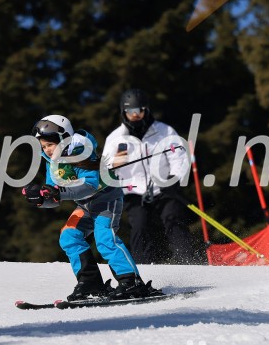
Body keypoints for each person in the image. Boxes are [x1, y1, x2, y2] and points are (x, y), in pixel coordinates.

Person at [23, 114, 160, 301]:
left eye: (50, 145)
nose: (47, 150)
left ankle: (131, 282)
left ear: (64, 139)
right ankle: (90, 283)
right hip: (85, 206)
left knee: (104, 239)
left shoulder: (82, 151)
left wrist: (58, 192)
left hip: (106, 201)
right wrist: (40, 199)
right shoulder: (51, 162)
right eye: (43, 146)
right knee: (69, 235)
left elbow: (90, 186)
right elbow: (54, 195)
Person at [102, 89, 205, 264]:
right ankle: (144, 268)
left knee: (173, 219)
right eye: (130, 112)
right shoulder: (116, 138)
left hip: (164, 187)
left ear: (146, 110)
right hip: (133, 191)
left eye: (139, 111)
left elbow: (178, 157)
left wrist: (174, 178)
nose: (135, 116)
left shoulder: (164, 131)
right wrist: (113, 167)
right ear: (123, 113)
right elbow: (106, 168)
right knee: (140, 226)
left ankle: (189, 262)